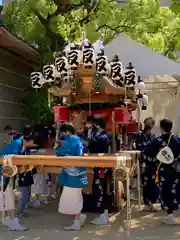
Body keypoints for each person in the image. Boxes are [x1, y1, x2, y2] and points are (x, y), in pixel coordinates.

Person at [142, 119, 180, 225]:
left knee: (166, 192)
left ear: (162, 127)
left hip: (164, 170)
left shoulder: (159, 140)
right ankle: (173, 213)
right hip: (176, 170)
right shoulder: (177, 138)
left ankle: (170, 215)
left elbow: (146, 151)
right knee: (175, 190)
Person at [57, 123, 88, 231]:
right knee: (77, 197)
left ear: (66, 131)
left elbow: (61, 152)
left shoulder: (70, 139)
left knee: (73, 198)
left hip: (72, 173)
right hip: (79, 171)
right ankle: (79, 219)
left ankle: (77, 222)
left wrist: (59, 149)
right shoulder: (78, 139)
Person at [0, 137, 27, 231]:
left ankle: (9, 220)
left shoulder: (18, 143)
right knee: (8, 198)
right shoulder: (17, 144)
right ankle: (11, 221)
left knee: (8, 198)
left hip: (5, 173)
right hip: (3, 174)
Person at [89, 118, 110, 225]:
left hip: (101, 166)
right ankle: (104, 214)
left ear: (97, 125)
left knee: (99, 188)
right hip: (101, 165)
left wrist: (88, 141)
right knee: (101, 188)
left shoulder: (102, 136)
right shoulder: (103, 135)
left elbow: (93, 146)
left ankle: (102, 214)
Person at [136, 117, 158, 211]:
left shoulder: (153, 136)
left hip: (153, 162)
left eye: (151, 123)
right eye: (147, 123)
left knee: (152, 183)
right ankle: (146, 203)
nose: (149, 125)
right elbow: (139, 148)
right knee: (145, 183)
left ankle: (151, 203)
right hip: (144, 163)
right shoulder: (139, 135)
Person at [16, 134, 37, 218]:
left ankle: (22, 209)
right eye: (31, 141)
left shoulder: (27, 149)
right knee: (24, 196)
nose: (33, 143)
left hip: (28, 172)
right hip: (23, 174)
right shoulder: (19, 149)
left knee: (28, 195)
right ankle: (18, 212)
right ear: (26, 141)